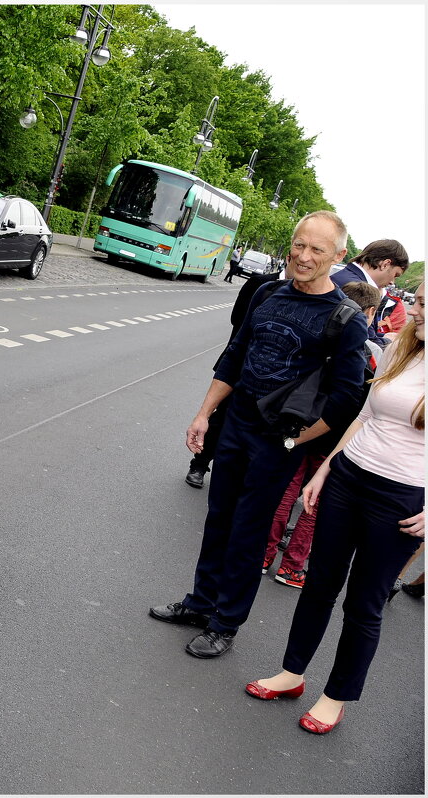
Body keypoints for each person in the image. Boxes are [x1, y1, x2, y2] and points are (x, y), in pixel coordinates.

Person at [150, 210, 368, 659]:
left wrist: (294, 443)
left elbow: (346, 400)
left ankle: (225, 623)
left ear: (339, 256)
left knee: (248, 533)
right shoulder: (267, 292)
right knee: (217, 521)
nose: (303, 256)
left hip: (281, 441)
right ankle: (200, 603)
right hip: (235, 426)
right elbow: (234, 356)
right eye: (299, 244)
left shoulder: (346, 319)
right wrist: (204, 415)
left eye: (316, 250)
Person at [244, 281, 424, 735]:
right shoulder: (401, 352)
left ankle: (336, 697)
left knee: (364, 604)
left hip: (401, 498)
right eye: (418, 301)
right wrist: (326, 469)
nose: (414, 311)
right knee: (319, 584)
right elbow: (364, 417)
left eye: (423, 305)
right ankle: (292, 673)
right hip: (348, 477)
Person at [263, 280, 382, 589]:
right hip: (339, 437)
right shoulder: (371, 352)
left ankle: (263, 554)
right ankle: (292, 567)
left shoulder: (322, 335)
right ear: (369, 312)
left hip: (303, 425)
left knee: (286, 492)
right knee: (314, 504)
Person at [185, 266, 284, 488]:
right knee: (220, 416)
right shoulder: (261, 285)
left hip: (272, 380)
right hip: (241, 363)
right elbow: (237, 319)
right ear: (288, 257)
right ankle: (199, 464)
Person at [330, 239, 409, 348]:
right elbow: (367, 343)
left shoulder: (345, 277)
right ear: (385, 264)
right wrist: (390, 341)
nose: (392, 282)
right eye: (396, 275)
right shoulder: (361, 289)